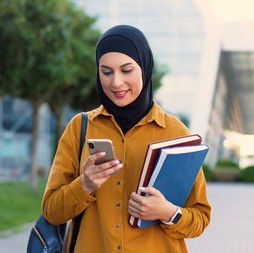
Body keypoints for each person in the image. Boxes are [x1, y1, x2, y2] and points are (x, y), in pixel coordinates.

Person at [42, 24, 211, 253]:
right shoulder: (80, 128)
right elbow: (51, 211)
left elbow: (200, 218)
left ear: (144, 67)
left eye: (126, 70)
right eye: (107, 71)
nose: (116, 82)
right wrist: (85, 185)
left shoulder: (176, 132)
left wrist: (167, 212)